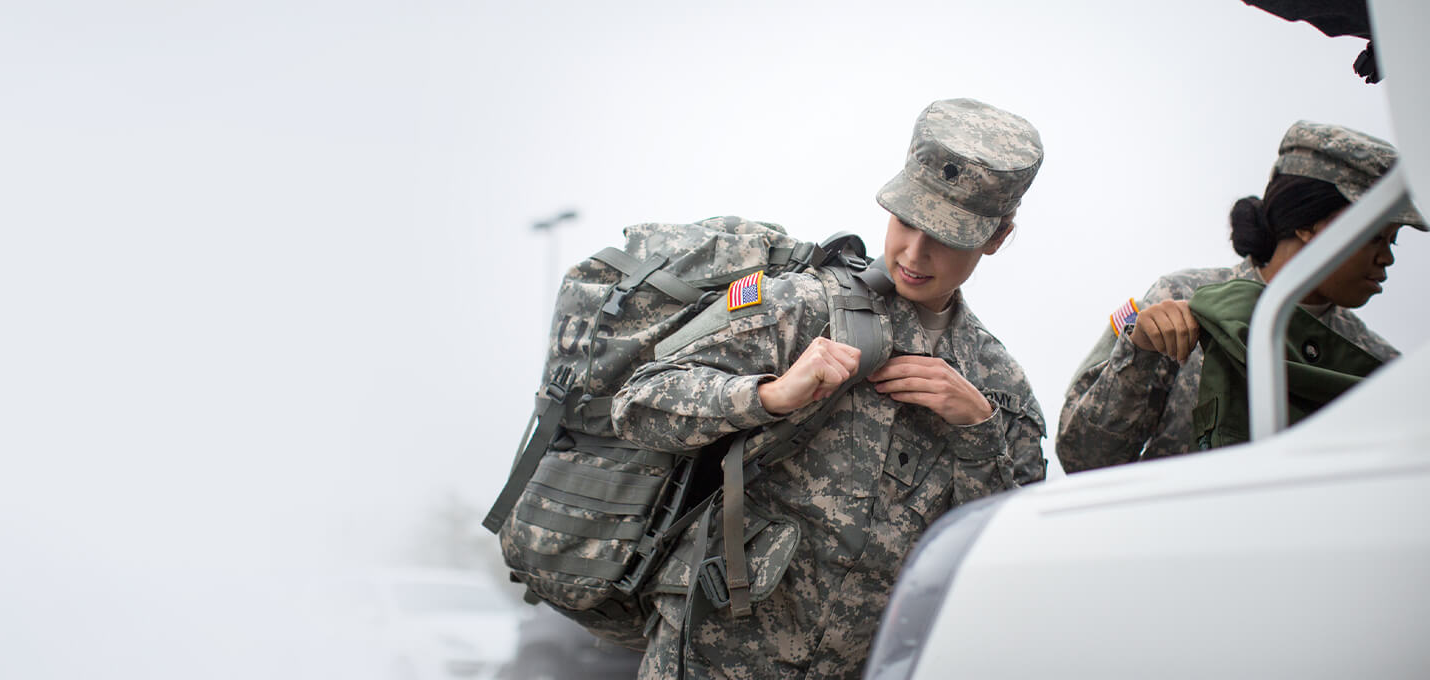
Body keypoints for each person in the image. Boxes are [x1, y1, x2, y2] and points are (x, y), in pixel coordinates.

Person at [609, 98, 1048, 680]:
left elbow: (1008, 554)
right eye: (906, 221)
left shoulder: (997, 385)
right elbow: (637, 404)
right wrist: (768, 396)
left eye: (945, 236)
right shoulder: (803, 303)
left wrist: (977, 428)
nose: (914, 254)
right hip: (714, 654)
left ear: (996, 237)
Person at [1056, 120, 1424, 472]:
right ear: (1310, 225)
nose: (1387, 258)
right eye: (1376, 235)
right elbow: (1082, 459)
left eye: (1393, 240)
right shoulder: (1182, 299)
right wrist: (1139, 353)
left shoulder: (1380, 367)